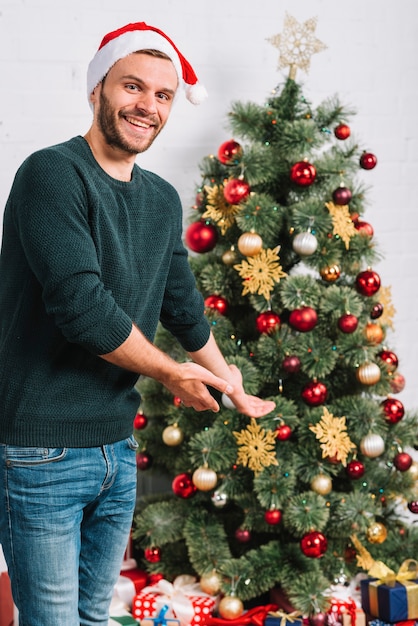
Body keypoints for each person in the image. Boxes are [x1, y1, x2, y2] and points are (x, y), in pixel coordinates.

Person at [0, 21, 275, 626]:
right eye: (133, 87)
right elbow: (83, 309)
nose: (147, 106)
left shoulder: (158, 199)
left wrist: (231, 382)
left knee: (96, 617)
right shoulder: (51, 175)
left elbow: (182, 303)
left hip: (116, 450)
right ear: (98, 89)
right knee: (52, 621)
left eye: (163, 95)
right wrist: (174, 373)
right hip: (43, 449)